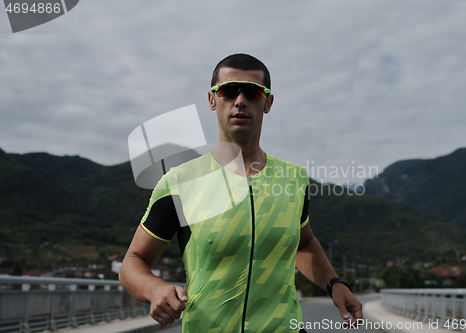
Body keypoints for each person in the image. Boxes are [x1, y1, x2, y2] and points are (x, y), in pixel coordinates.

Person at [119, 53, 362, 333]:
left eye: (253, 92)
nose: (240, 100)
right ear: (212, 100)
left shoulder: (294, 179)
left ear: (268, 102)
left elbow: (304, 244)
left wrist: (335, 284)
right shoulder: (179, 182)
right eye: (228, 91)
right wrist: (154, 288)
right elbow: (132, 262)